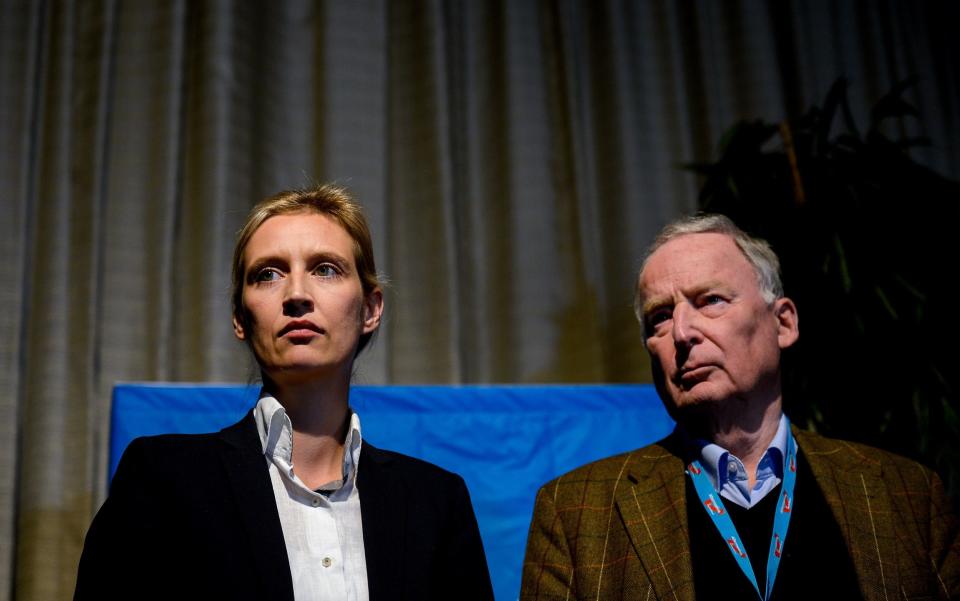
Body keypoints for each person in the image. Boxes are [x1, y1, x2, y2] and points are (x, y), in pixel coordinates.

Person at [75, 185, 494, 601]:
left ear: (370, 308)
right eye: (268, 274)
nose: (296, 295)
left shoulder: (435, 503)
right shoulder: (163, 479)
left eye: (325, 269)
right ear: (240, 317)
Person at [520, 214, 959, 600]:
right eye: (659, 317)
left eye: (710, 300)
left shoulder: (906, 493)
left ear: (783, 323)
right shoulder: (575, 511)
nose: (682, 332)